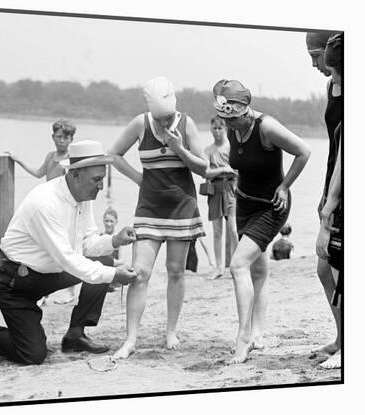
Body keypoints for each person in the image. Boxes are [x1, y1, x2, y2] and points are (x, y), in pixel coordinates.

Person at [0, 140, 138, 365]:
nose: (100, 187)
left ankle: (75, 335)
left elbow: (87, 244)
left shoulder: (82, 196)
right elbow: (68, 259)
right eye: (96, 180)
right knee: (33, 354)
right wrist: (114, 274)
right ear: (75, 175)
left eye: (102, 180)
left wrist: (115, 240)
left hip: (47, 273)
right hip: (12, 281)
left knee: (103, 259)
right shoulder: (45, 203)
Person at [212, 79, 311, 364]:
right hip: (244, 203)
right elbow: (242, 163)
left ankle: (242, 339)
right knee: (257, 270)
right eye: (224, 120)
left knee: (237, 264)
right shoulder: (233, 130)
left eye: (232, 119)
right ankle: (258, 333)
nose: (228, 125)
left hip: (271, 206)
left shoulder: (266, 127)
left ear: (245, 111)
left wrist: (284, 186)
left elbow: (304, 151)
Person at [109, 76, 208, 359]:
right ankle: (130, 339)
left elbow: (203, 168)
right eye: (160, 118)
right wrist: (140, 178)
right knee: (139, 273)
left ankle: (171, 331)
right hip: (149, 209)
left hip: (181, 208)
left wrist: (179, 148)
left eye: (167, 118)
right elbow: (114, 154)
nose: (164, 123)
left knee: (176, 271)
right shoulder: (141, 123)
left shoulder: (186, 123)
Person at [7, 119, 77, 305]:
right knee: (43, 249)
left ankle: (70, 291)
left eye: (66, 137)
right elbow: (38, 173)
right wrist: (19, 159)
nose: (61, 140)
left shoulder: (71, 159)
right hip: (47, 206)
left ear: (71, 139)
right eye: (58, 136)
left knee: (65, 248)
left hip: (63, 208)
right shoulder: (50, 156)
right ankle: (43, 294)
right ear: (53, 137)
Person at [305, 30, 343, 362]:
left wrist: (333, 201)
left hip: (343, 187)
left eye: (316, 56)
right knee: (323, 270)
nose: (315, 64)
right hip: (331, 179)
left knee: (340, 267)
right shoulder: (331, 86)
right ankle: (343, 337)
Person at [203, 116, 238, 279]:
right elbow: (206, 172)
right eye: (214, 128)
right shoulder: (208, 150)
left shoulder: (231, 147)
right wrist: (223, 169)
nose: (217, 131)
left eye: (220, 128)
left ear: (225, 129)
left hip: (231, 188)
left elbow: (237, 169)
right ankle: (219, 267)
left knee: (233, 229)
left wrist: (226, 170)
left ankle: (236, 264)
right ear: (211, 130)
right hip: (215, 190)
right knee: (217, 231)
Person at [102, 207, 123, 292]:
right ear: (103, 221)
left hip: (113, 272)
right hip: (102, 273)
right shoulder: (100, 237)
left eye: (111, 221)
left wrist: (110, 261)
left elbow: (122, 261)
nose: (109, 224)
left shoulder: (119, 238)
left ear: (116, 222)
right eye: (107, 221)